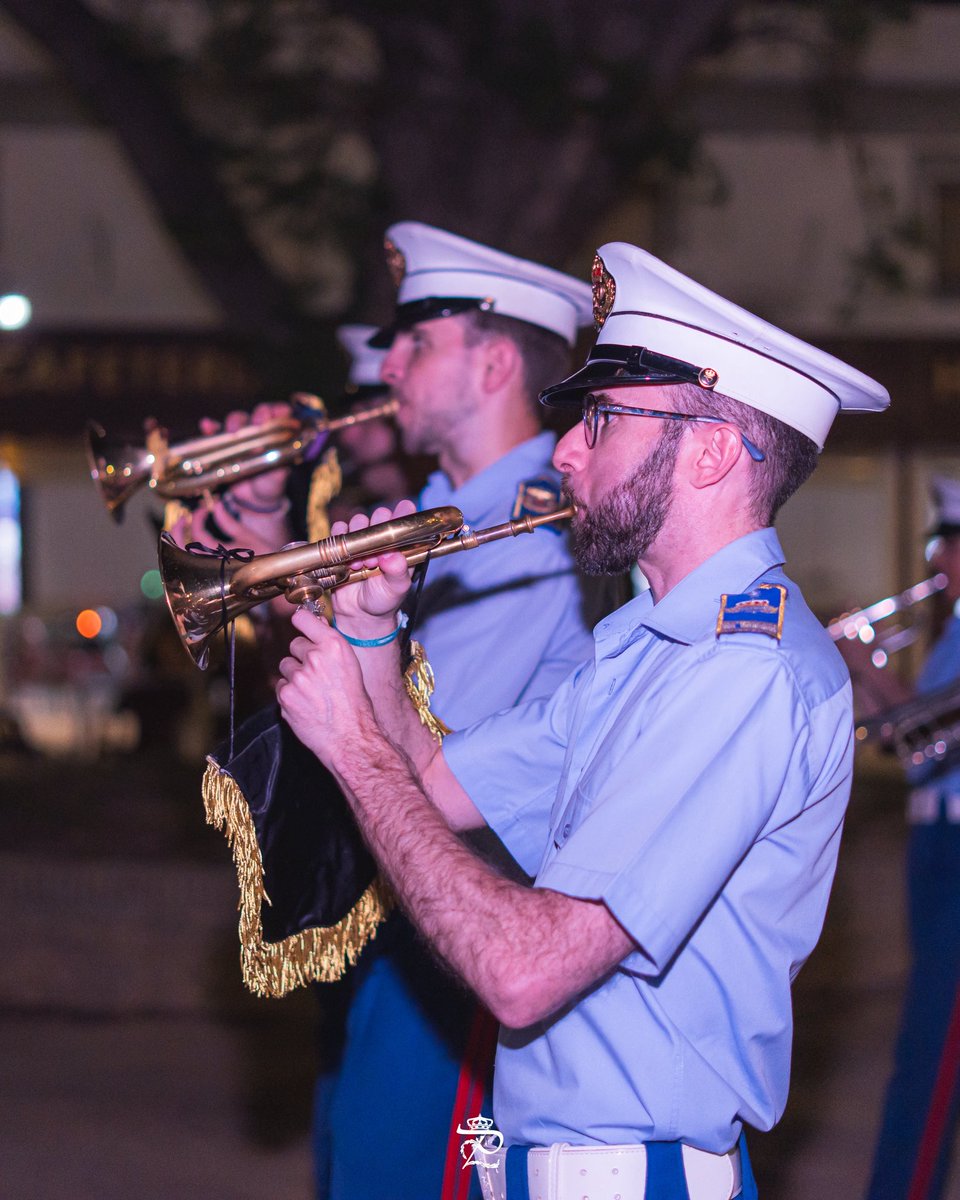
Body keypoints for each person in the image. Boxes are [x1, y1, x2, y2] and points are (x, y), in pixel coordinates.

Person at [275, 240, 890, 1200]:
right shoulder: (648, 643)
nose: (564, 449)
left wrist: (351, 748)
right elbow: (436, 783)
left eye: (602, 419)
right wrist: (369, 637)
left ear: (715, 450)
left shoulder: (745, 672)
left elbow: (524, 971)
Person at [202, 224, 599, 1200]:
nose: (386, 363)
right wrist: (259, 539)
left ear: (496, 362)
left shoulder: (528, 532)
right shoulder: (441, 509)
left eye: (417, 342)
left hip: (459, 929)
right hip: (397, 913)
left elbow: (395, 737)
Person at [857, 475, 960, 1200]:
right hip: (935, 840)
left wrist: (871, 670)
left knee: (933, 1048)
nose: (934, 566)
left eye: (946, 549)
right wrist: (865, 685)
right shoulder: (951, 633)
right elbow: (903, 742)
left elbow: (930, 737)